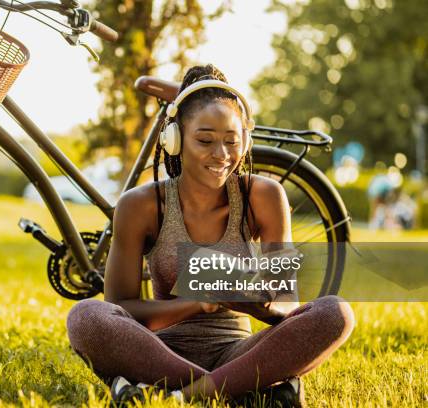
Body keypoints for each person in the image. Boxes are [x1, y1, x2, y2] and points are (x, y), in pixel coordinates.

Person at [66, 64, 355, 406]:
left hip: (240, 352)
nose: (221, 155)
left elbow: (286, 301)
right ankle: (242, 390)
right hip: (158, 351)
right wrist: (198, 303)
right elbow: (119, 308)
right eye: (205, 140)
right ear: (175, 140)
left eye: (231, 142)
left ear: (245, 142)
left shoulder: (264, 197)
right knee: (86, 317)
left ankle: (176, 396)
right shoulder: (141, 205)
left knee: (335, 313)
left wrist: (257, 303)